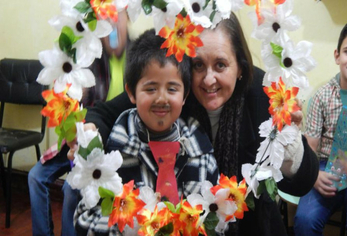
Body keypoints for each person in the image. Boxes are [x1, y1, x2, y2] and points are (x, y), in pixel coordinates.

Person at [70, 12, 319, 235]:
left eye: (220, 64)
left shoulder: (264, 95)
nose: (209, 80)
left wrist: (292, 146)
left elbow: (302, 182)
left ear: (240, 67)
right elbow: (103, 112)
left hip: (252, 226)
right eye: (198, 65)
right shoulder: (175, 93)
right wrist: (90, 132)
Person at [73, 28, 219, 235]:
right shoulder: (113, 153)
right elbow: (85, 219)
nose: (161, 98)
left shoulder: (198, 148)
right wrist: (132, 227)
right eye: (150, 89)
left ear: (185, 95)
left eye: (172, 89)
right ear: (131, 92)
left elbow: (211, 218)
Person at [27, 11, 129, 236]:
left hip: (108, 147)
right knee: (35, 176)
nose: (112, 24)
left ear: (128, 19)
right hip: (76, 141)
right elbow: (64, 101)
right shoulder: (86, 57)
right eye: (106, 20)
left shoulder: (136, 59)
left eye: (117, 17)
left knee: (71, 187)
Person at [294, 20, 347, 235]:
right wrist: (313, 176)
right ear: (337, 55)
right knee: (304, 220)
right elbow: (310, 146)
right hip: (325, 165)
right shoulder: (322, 96)